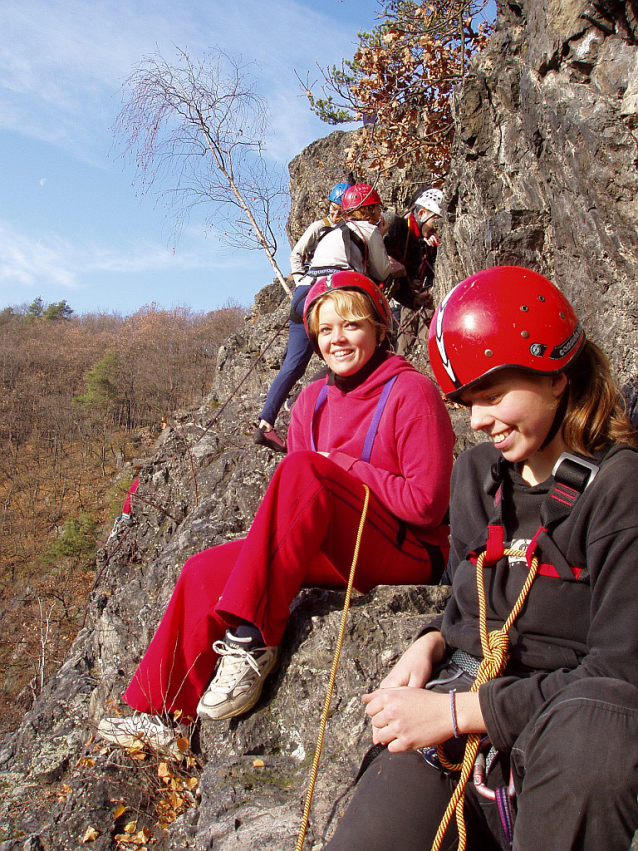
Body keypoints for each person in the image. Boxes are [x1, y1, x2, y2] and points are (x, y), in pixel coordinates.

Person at [323, 266, 638, 851]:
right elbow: (469, 609)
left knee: (601, 729)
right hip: (465, 696)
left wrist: (459, 716)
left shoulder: (621, 490)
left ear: (557, 378)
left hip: (568, 721)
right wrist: (433, 641)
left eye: (493, 396)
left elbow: (623, 673)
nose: (479, 422)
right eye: (469, 402)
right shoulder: (477, 477)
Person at [99, 270, 454, 753]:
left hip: (407, 549)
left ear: (379, 328)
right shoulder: (310, 401)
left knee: (307, 468)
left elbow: (427, 504)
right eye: (325, 331)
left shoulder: (411, 392)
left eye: (351, 326)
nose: (337, 339)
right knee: (204, 570)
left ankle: (253, 640)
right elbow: (300, 502)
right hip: (336, 545)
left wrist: (341, 466)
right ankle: (165, 715)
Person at [254, 181, 351, 453]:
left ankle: (266, 422)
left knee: (294, 365)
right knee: (342, 353)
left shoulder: (334, 228)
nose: (338, 212)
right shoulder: (323, 228)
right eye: (337, 208)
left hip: (305, 295)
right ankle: (304, 404)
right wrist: (301, 281)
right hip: (317, 293)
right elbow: (296, 255)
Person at [384, 187, 443, 354]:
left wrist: (415, 300)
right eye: (435, 221)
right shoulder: (391, 222)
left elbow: (400, 287)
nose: (436, 229)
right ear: (422, 212)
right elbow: (359, 244)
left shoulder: (415, 250)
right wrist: (384, 260)